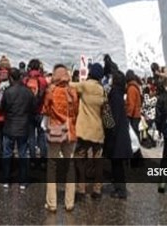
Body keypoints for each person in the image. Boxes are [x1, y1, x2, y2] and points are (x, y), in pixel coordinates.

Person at [42, 64, 79, 212]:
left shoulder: (51, 91)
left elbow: (45, 109)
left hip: (56, 131)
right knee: (69, 165)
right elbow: (76, 111)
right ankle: (69, 202)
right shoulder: (72, 91)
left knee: (52, 165)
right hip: (70, 131)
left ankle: (52, 203)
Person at [69, 62, 106, 200]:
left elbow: (70, 86)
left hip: (84, 130)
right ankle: (97, 190)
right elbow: (106, 114)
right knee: (98, 161)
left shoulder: (85, 86)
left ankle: (81, 189)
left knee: (79, 159)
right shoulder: (103, 90)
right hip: (98, 131)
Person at [0, 67, 36, 190]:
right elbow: (33, 107)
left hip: (9, 126)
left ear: (10, 77)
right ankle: (23, 181)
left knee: (7, 153)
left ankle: (5, 179)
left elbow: (2, 107)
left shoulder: (8, 91)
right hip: (23, 127)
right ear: (20, 77)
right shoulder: (28, 92)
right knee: (23, 154)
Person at [104, 70, 132, 199]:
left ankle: (120, 190)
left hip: (116, 136)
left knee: (117, 164)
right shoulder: (119, 93)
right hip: (121, 134)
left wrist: (106, 121)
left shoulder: (114, 95)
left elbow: (111, 117)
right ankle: (119, 187)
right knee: (118, 163)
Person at [24, 59, 47, 167]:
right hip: (40, 111)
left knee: (31, 137)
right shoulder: (42, 80)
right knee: (42, 136)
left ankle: (32, 160)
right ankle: (43, 160)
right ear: (39, 68)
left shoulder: (26, 79)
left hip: (29, 112)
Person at [125, 70, 142, 139]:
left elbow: (131, 104)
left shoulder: (131, 88)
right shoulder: (135, 87)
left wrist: (128, 116)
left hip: (133, 116)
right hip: (136, 114)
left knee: (133, 134)